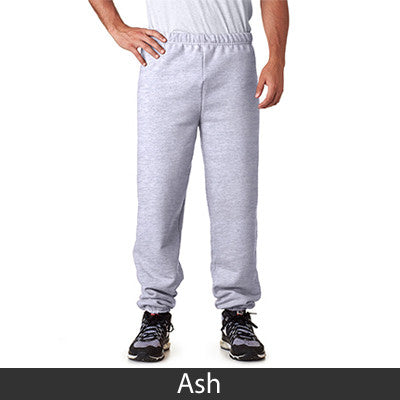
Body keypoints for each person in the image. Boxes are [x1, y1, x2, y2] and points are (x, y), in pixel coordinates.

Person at [89, 0, 289, 362]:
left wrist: (277, 58)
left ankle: (237, 312)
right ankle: (155, 311)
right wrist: (116, 27)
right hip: (167, 55)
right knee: (159, 195)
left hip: (234, 57)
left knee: (236, 197)